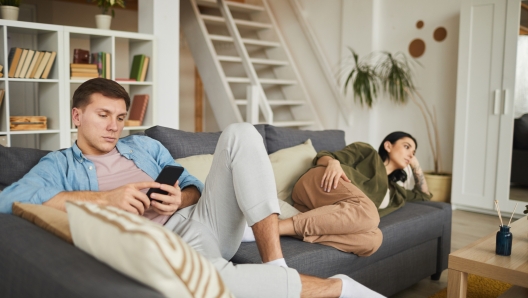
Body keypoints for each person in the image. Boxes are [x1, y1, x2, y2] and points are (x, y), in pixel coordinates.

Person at [0, 78, 385, 298]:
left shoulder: (144, 146)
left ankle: (275, 265)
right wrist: (106, 199)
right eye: (103, 115)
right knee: (220, 283)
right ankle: (340, 290)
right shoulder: (59, 164)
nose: (114, 126)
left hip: (198, 221)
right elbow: (10, 201)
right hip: (159, 243)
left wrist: (181, 196)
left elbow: (193, 185)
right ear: (77, 115)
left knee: (239, 132)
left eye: (119, 117)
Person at [274, 132, 432, 255]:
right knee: (370, 213)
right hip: (322, 184)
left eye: (414, 152)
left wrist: (415, 166)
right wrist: (333, 162)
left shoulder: (396, 192)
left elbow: (424, 195)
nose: (411, 154)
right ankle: (273, 229)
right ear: (388, 146)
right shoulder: (368, 153)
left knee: (374, 239)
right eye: (407, 147)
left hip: (323, 213)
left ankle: (298, 230)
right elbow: (324, 156)